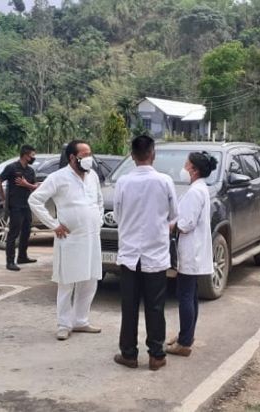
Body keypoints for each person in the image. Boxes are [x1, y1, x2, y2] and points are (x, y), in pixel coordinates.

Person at [113, 135, 178, 371]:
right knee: (155, 306)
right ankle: (156, 355)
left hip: (129, 253)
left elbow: (118, 215)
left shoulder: (123, 182)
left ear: (132, 156)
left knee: (129, 306)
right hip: (156, 254)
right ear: (153, 154)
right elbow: (173, 214)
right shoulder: (164, 181)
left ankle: (129, 354)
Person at [28, 140, 104, 341]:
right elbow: (34, 200)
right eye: (84, 155)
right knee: (67, 281)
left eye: (90, 154)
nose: (89, 159)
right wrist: (53, 224)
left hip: (92, 237)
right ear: (72, 157)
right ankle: (64, 324)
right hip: (70, 238)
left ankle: (81, 320)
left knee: (90, 280)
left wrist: (99, 217)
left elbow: (99, 201)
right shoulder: (58, 178)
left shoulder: (93, 176)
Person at [165, 152, 217, 357]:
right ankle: (186, 335)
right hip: (194, 250)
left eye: (186, 165)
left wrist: (170, 226)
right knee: (190, 295)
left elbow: (186, 224)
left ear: (194, 170)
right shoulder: (199, 189)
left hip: (191, 251)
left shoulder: (196, 192)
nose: (183, 169)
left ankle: (185, 342)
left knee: (185, 295)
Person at [0, 145, 39, 271]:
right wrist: (3, 199)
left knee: (26, 231)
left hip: (27, 205)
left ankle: (22, 256)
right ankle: (10, 261)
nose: (33, 158)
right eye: (32, 155)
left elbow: (35, 186)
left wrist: (26, 184)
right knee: (13, 233)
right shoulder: (12, 168)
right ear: (25, 155)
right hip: (15, 205)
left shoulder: (30, 171)